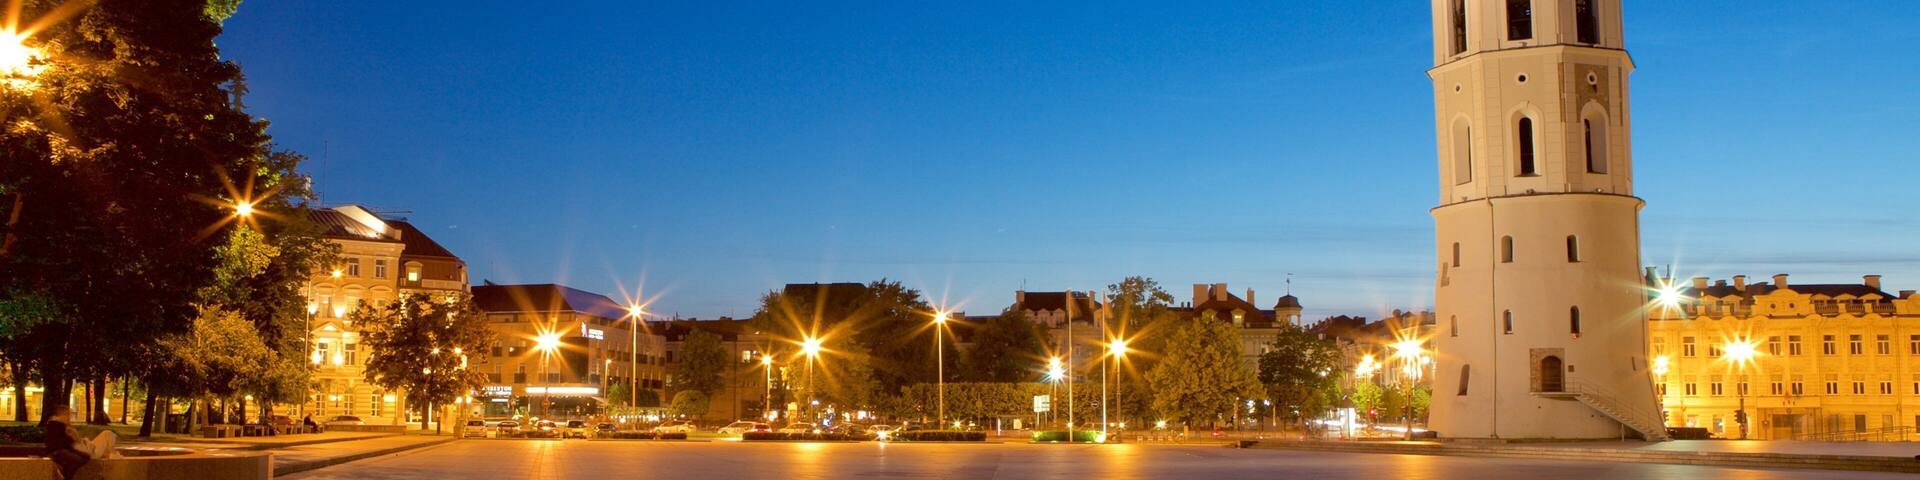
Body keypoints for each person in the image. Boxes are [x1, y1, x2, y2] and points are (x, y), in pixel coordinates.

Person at [40, 405, 118, 479]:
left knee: (84, 457)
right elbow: (60, 442)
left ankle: (64, 474)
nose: (69, 417)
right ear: (61, 415)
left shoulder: (61, 425)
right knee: (80, 459)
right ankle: (64, 474)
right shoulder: (55, 425)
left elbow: (66, 441)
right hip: (58, 452)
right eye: (67, 414)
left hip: (63, 450)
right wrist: (74, 439)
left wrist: (76, 439)